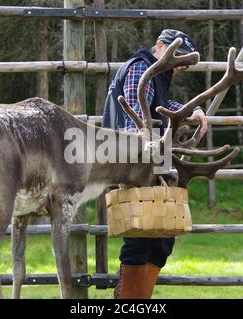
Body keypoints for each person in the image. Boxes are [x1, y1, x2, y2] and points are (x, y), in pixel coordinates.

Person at [102, 29, 208, 299]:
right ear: (160, 47)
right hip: (135, 159)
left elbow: (159, 105)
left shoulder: (156, 72)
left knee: (162, 235)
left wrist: (190, 111)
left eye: (183, 62)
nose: (180, 66)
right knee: (142, 232)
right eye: (178, 58)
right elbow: (137, 120)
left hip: (150, 158)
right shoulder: (141, 68)